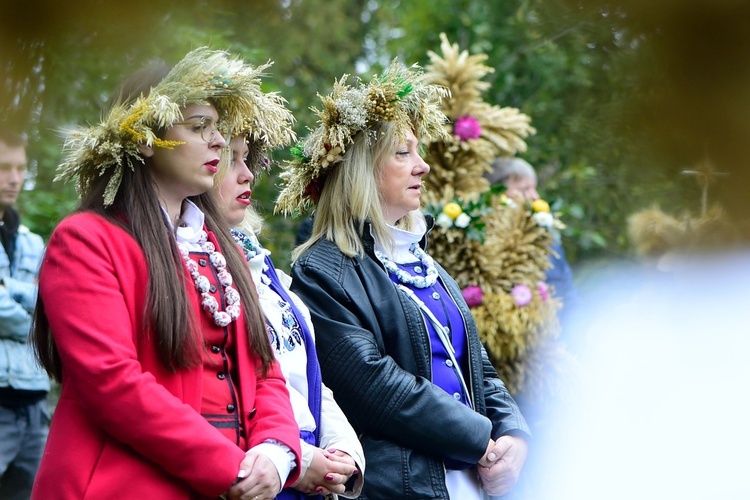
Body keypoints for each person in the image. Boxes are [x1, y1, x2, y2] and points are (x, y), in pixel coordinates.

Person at [30, 48, 302, 500]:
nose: (217, 141)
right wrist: (230, 468)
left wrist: (276, 453)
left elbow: (264, 369)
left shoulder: (217, 248)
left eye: (218, 128)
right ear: (143, 139)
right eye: (199, 127)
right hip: (121, 486)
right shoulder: (85, 240)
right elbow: (113, 385)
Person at [277, 62, 531, 499]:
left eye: (419, 152)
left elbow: (478, 366)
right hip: (401, 488)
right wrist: (481, 440)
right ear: (361, 169)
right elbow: (373, 386)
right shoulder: (322, 270)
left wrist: (514, 435)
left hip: (469, 481)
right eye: (403, 153)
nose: (423, 167)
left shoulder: (420, 258)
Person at [215, 134, 365, 499]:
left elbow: (304, 375)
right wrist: (297, 457)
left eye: (247, 159)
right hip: (255, 474)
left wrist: (344, 450)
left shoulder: (262, 264)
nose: (248, 174)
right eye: (230, 159)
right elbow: (221, 390)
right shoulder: (190, 265)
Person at [0, 124, 49, 499]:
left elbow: (52, 303)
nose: (14, 178)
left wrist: (8, 292)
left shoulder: (33, 241)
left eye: (20, 167)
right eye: (4, 167)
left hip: (35, 403)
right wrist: (31, 313)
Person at [487, 156, 579, 332]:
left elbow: (570, 294)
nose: (535, 196)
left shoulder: (547, 239)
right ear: (497, 194)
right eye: (524, 189)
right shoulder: (483, 246)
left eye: (534, 188)